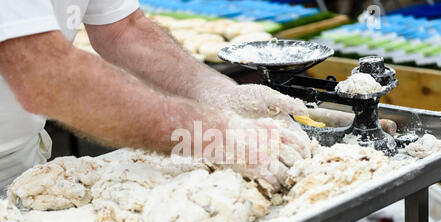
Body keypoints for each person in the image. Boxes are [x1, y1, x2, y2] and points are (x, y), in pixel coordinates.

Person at [0, 0, 311, 194]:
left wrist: (217, 92)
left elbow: (125, 29)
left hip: (19, 160)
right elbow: (46, 75)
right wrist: (208, 133)